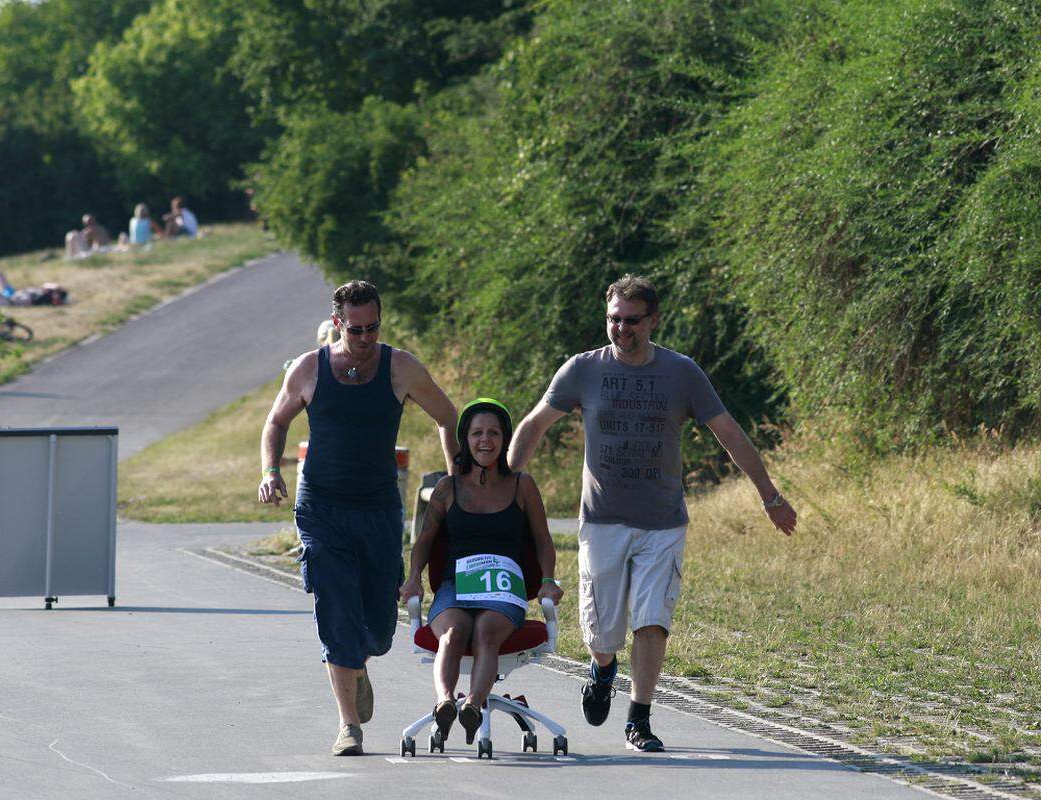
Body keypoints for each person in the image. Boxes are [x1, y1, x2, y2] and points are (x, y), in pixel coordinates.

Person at [507, 274, 797, 753]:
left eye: (632, 321)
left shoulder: (681, 373)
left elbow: (728, 431)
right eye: (614, 320)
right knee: (602, 632)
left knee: (652, 619)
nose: (622, 329)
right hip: (601, 522)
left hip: (662, 522)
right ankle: (602, 671)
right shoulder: (582, 369)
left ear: (654, 320)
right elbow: (534, 425)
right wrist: (508, 490)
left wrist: (769, 495)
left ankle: (639, 718)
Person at [258, 280, 458, 757]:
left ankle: (359, 662)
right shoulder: (310, 368)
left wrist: (456, 480)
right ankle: (349, 726)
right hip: (321, 506)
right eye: (356, 330)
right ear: (337, 323)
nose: (365, 338)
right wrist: (269, 470)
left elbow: (449, 417)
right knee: (334, 605)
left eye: (373, 328)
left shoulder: (401, 367)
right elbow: (276, 421)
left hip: (377, 508)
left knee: (377, 628)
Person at [400, 398, 563, 746]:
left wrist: (548, 581)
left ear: (504, 439)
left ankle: (472, 705)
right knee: (454, 631)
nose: (485, 440)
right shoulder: (447, 488)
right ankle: (445, 702)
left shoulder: (523, 485)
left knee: (487, 630)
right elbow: (425, 540)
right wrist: (413, 576)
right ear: (465, 440)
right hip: (455, 586)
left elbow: (543, 542)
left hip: (502, 588)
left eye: (493, 433)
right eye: (476, 433)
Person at [0, 270, 67, 311]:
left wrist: (14, 299)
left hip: (10, 299)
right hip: (12, 292)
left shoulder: (44, 298)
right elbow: (47, 284)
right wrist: (54, 288)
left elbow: (25, 303)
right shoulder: (46, 291)